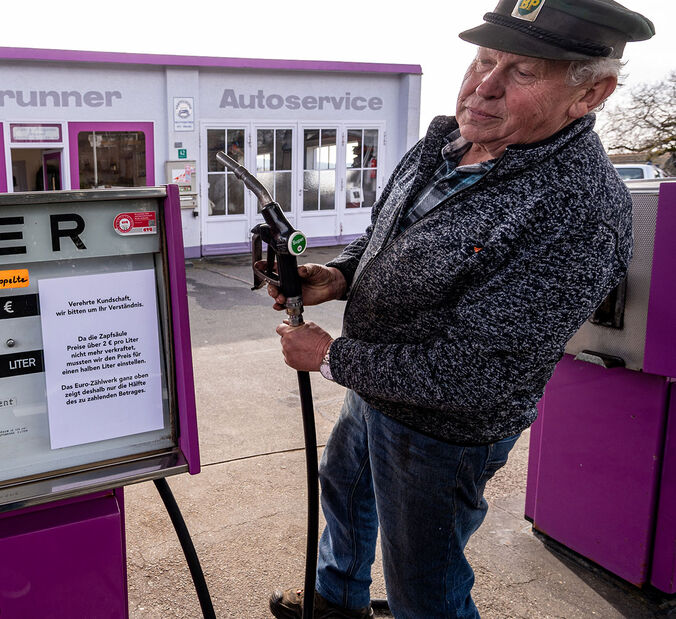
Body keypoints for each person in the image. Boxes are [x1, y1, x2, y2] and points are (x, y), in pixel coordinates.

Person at [263, 1, 655, 618]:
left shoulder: (578, 208)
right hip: (373, 386)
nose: (484, 87)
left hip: (440, 431)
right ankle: (338, 601)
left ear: (592, 93)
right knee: (345, 491)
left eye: (523, 73)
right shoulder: (445, 143)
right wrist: (338, 276)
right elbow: (388, 236)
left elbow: (479, 374)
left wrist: (331, 356)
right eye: (483, 60)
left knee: (425, 578)